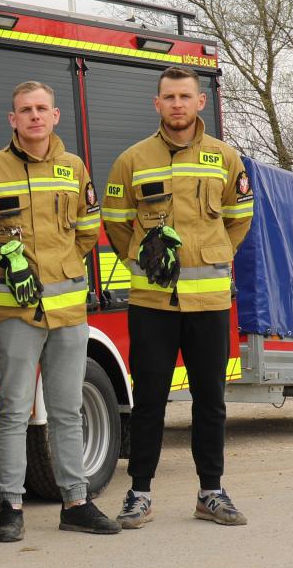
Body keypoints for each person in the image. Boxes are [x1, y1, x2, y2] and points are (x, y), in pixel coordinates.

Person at [0, 81, 118, 542]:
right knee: (12, 411)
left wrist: (62, 268)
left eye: (41, 108)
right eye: (25, 110)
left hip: (68, 312)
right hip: (13, 314)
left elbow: (88, 229)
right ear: (12, 119)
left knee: (67, 410)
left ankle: (76, 502)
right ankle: (10, 506)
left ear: (55, 116)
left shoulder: (73, 168)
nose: (33, 116)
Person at [101, 65, 254, 528]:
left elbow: (239, 217)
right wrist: (139, 256)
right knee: (149, 399)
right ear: (157, 104)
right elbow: (114, 218)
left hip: (208, 303)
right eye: (169, 97)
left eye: (185, 96)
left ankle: (211, 492)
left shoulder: (226, 158)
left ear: (200, 102)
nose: (177, 105)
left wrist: (215, 252)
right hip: (152, 304)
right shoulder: (132, 160)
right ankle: (139, 494)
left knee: (211, 401)